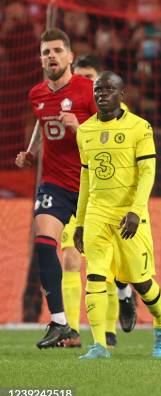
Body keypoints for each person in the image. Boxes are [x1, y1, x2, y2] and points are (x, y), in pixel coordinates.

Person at [74, 72, 161, 359]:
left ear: (121, 94)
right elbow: (85, 179)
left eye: (108, 89)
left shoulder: (140, 128)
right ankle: (99, 345)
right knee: (94, 276)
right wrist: (79, 222)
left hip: (129, 214)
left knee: (140, 281)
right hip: (97, 212)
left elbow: (148, 173)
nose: (101, 95)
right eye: (98, 90)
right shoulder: (85, 131)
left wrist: (135, 210)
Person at [16, 28, 97, 349]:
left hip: (91, 185)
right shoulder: (36, 93)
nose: (51, 56)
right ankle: (60, 322)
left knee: (107, 257)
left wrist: (81, 128)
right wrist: (32, 150)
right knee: (45, 242)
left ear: (70, 57)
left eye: (57, 51)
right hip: (54, 184)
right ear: (41, 58)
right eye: (46, 52)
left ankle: (124, 295)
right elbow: (41, 120)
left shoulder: (89, 90)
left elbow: (111, 133)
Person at [60, 54, 138, 348]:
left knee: (112, 267)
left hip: (111, 197)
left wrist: (77, 128)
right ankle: (70, 330)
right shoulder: (66, 105)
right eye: (80, 78)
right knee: (71, 258)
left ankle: (113, 319)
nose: (87, 85)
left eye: (90, 78)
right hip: (72, 191)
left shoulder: (116, 111)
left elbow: (107, 147)